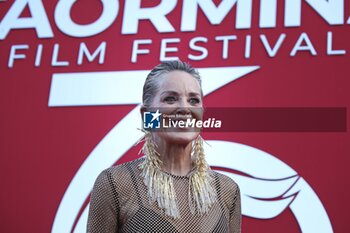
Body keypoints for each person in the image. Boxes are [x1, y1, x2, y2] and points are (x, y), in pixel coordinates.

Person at [87, 60, 241, 232]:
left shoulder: (228, 190)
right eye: (170, 99)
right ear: (147, 115)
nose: (184, 108)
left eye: (193, 100)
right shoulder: (115, 183)